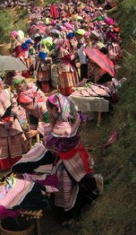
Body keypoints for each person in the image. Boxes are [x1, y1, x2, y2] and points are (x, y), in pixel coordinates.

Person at [44, 94, 98, 228]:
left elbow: (49, 143)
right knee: (82, 179)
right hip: (78, 154)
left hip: (68, 161)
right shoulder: (73, 117)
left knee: (68, 187)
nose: (48, 111)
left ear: (56, 109)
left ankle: (70, 215)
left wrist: (47, 132)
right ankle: (90, 195)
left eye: (49, 109)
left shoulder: (61, 127)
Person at [0, 79, 27, 171]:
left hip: (12, 122)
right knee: (2, 146)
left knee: (15, 142)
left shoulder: (8, 93)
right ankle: (6, 167)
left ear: (0, 86)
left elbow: (14, 105)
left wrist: (11, 117)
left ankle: (18, 164)